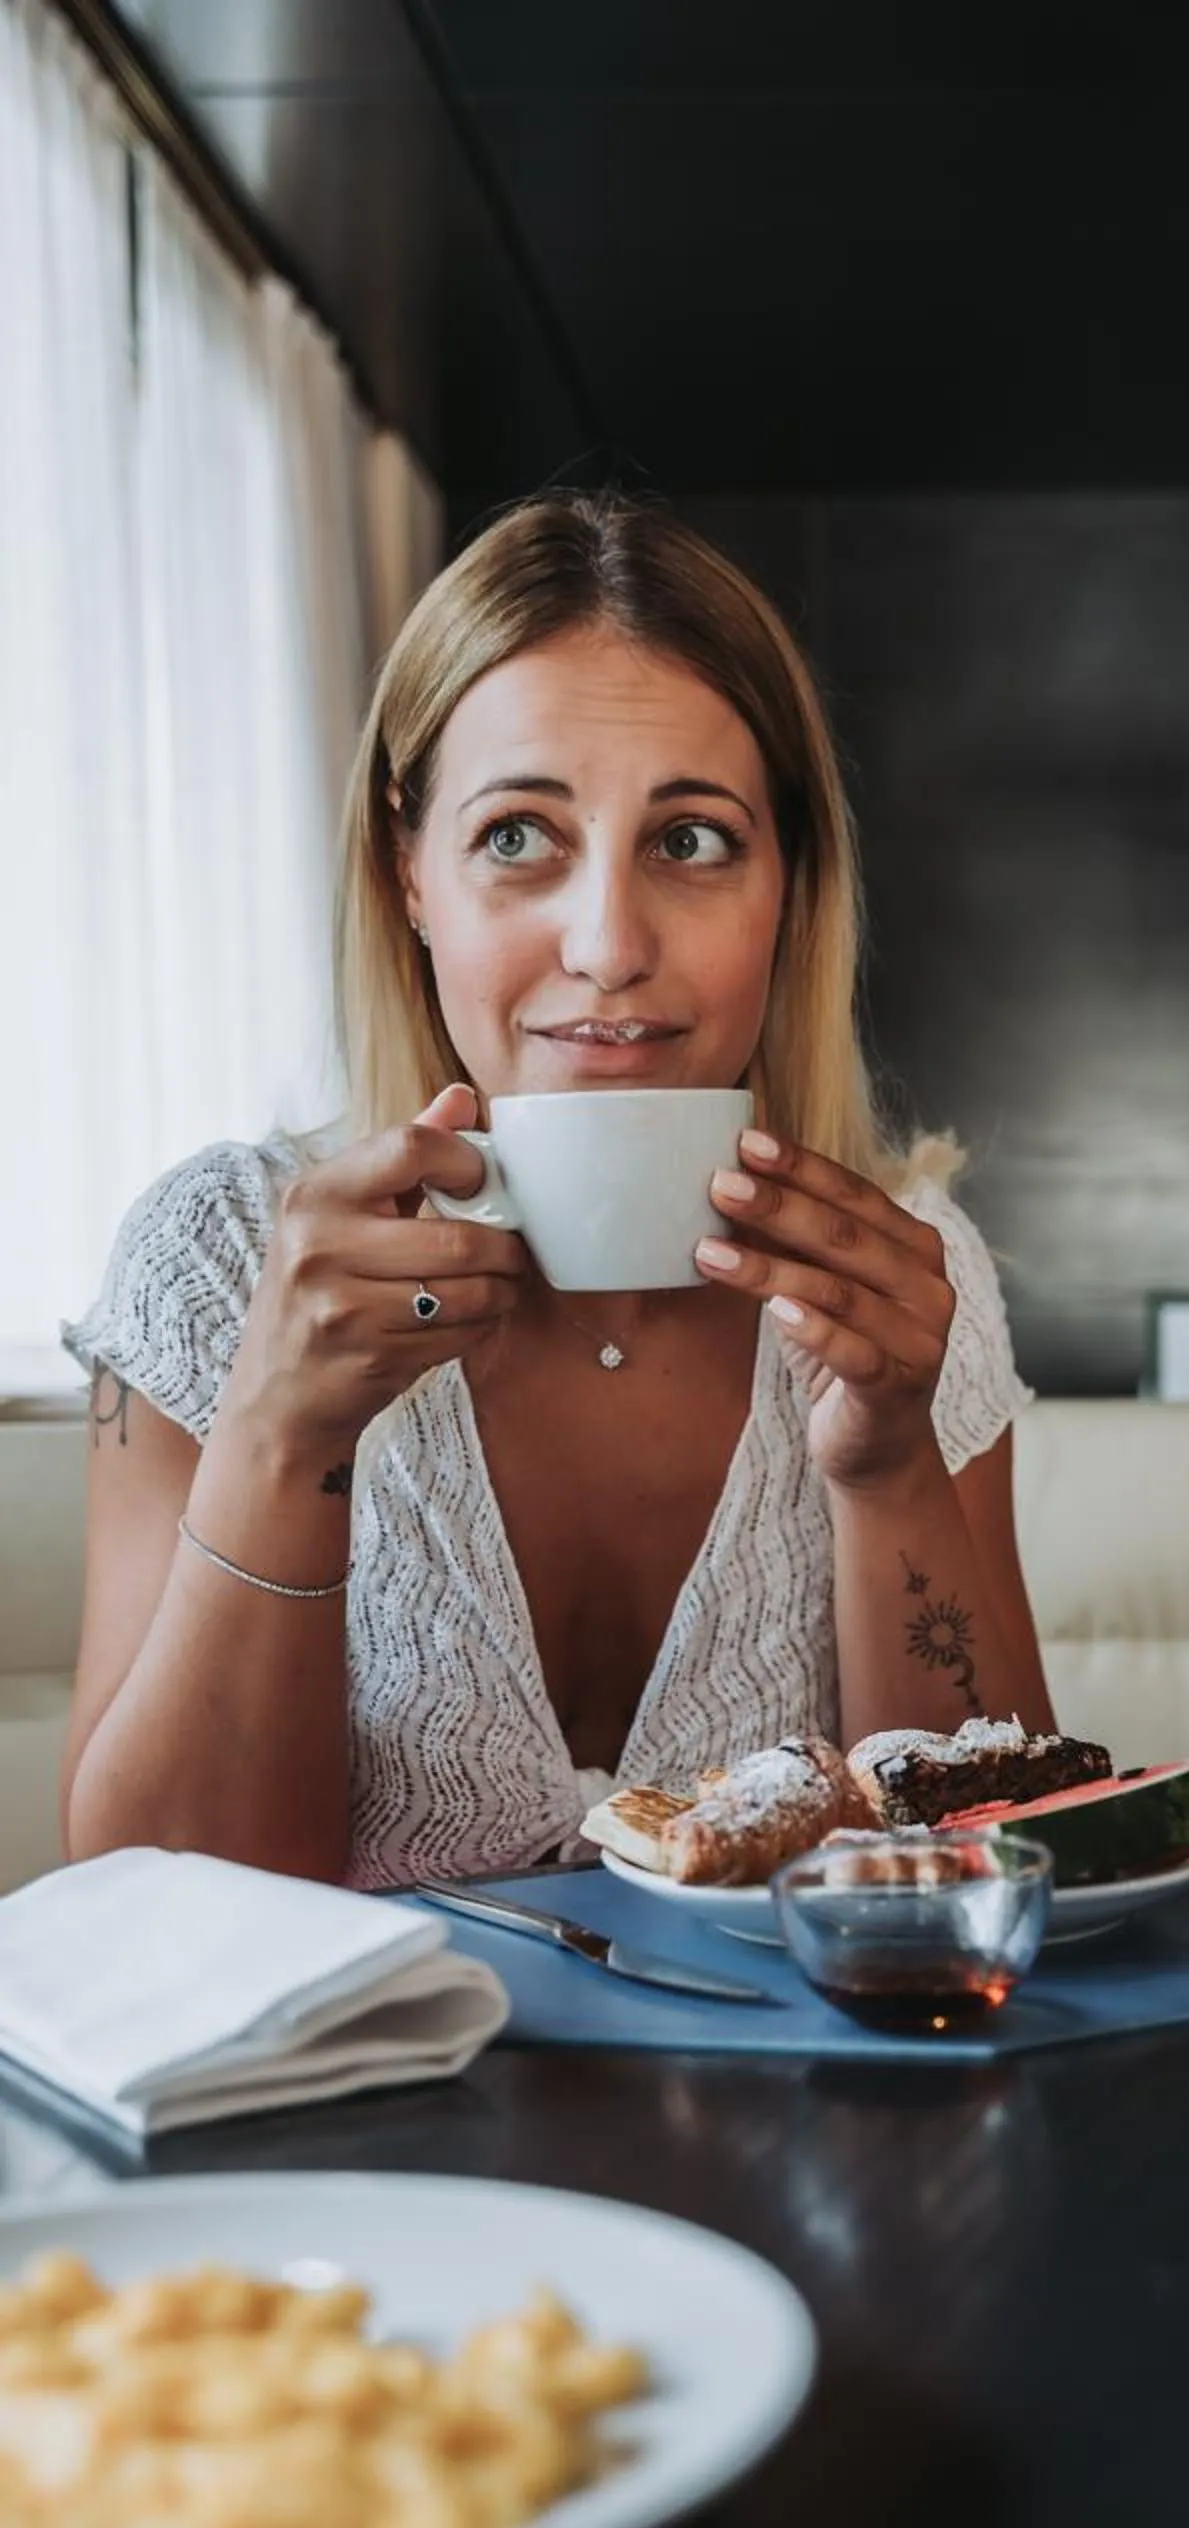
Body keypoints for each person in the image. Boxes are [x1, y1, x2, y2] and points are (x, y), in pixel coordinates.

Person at [62, 493, 1057, 1888]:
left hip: (788, 2106)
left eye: (693, 840)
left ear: (791, 882)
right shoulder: (223, 1255)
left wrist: (888, 1464)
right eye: (519, 837)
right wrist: (282, 1435)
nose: (607, 945)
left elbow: (989, 1864)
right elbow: (156, 1909)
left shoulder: (905, 1266)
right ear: (408, 869)